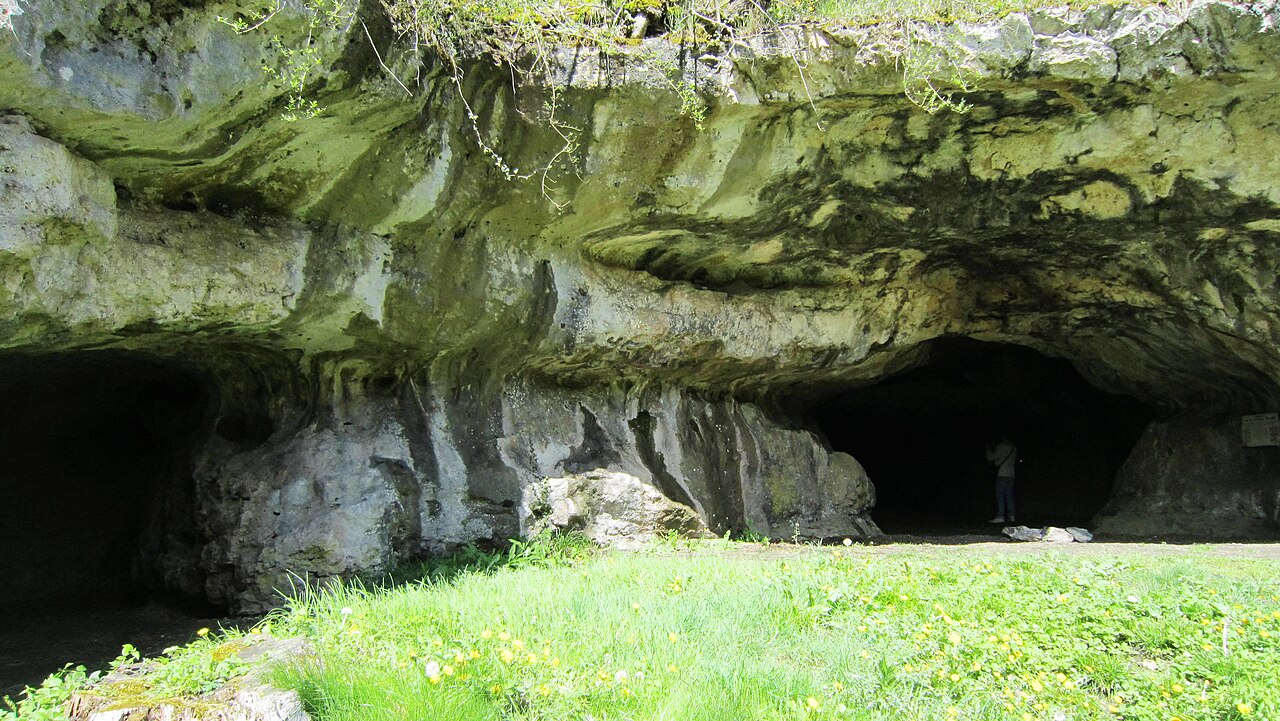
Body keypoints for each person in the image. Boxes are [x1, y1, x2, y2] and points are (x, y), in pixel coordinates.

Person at [985, 437, 1017, 523]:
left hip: (1002, 473)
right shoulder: (1014, 447)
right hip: (1011, 474)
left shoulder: (1000, 447)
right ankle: (1012, 515)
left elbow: (992, 458)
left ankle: (1000, 516)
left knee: (1000, 495)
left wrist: (988, 450)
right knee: (1009, 495)